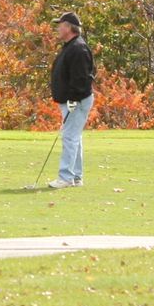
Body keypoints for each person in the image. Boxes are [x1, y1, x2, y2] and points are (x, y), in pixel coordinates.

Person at [47, 12, 95, 190]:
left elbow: (82, 78)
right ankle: (75, 176)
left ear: (68, 27)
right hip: (72, 100)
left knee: (69, 137)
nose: (58, 28)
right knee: (74, 137)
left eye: (60, 25)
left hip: (77, 101)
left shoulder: (78, 48)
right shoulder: (70, 46)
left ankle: (66, 177)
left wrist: (74, 98)